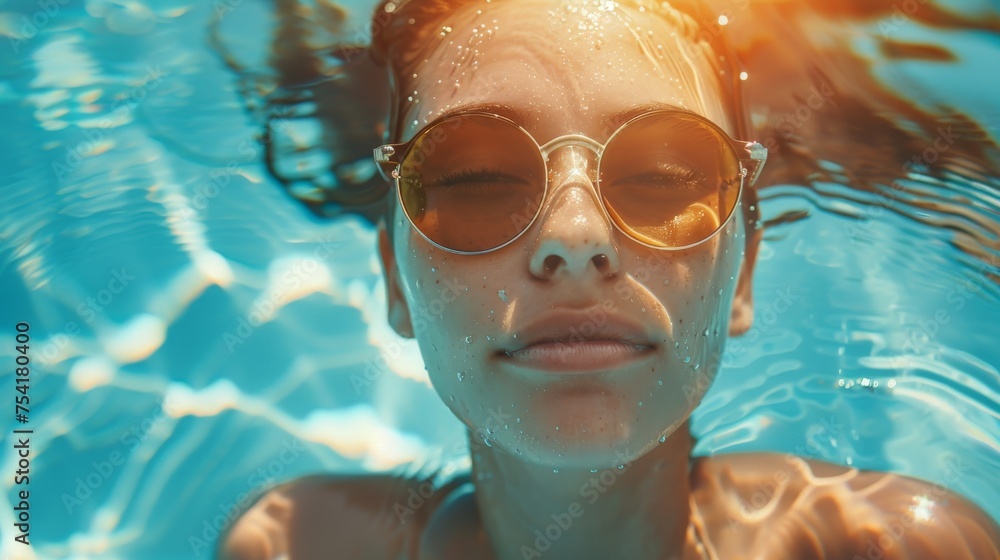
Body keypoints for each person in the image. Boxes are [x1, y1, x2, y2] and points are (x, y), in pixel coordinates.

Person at [218, 0, 1000, 558]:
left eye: (663, 175)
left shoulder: (890, 546)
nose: (576, 235)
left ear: (744, 275)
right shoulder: (293, 546)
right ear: (393, 280)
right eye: (477, 178)